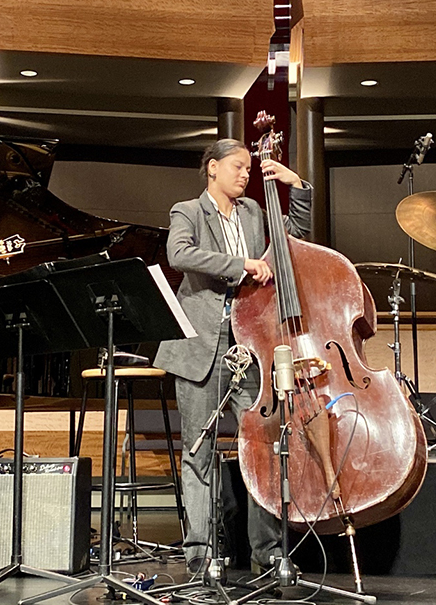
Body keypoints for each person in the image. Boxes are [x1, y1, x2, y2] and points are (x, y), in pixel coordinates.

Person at [154, 138, 312, 574]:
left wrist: (296, 185)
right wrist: (240, 264)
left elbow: (293, 239)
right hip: (202, 343)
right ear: (213, 169)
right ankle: (201, 554)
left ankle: (268, 553)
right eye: (238, 167)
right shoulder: (187, 210)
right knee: (199, 451)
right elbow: (179, 254)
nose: (246, 174)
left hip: (250, 343)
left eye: (248, 168)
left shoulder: (254, 214)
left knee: (262, 445)